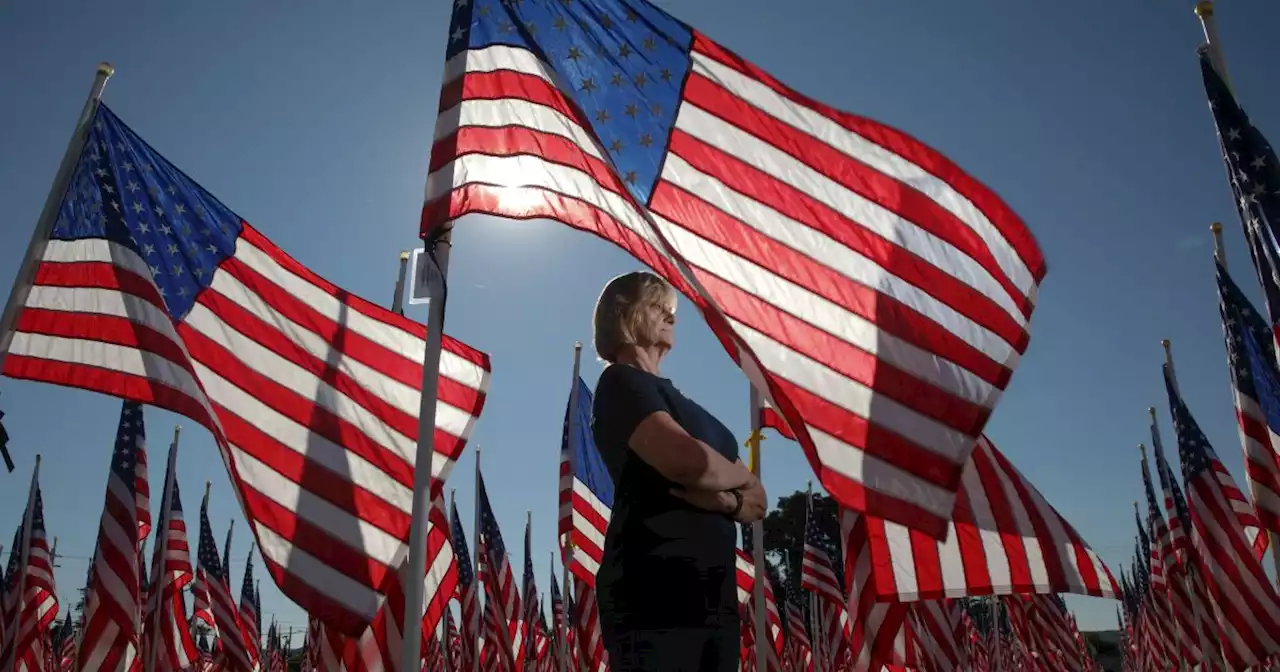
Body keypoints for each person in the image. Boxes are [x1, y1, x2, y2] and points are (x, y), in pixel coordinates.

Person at [589, 270, 768, 672]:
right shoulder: (619, 383)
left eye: (672, 311)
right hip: (654, 595)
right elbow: (689, 461)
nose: (672, 318)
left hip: (714, 599)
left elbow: (759, 500)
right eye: (659, 307)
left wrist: (728, 497)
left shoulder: (685, 403)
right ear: (624, 312)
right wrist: (732, 479)